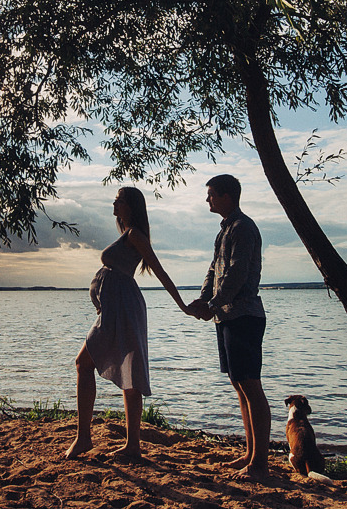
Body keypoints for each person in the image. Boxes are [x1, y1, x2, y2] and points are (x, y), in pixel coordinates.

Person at [65, 186, 190, 461]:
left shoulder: (135, 235)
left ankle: (118, 443)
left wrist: (182, 305)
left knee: (107, 368)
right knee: (86, 365)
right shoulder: (126, 234)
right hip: (113, 310)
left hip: (125, 308)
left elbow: (159, 269)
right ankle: (90, 438)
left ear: (130, 206)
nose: (114, 203)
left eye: (119, 200)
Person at [187, 174, 271, 478]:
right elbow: (214, 269)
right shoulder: (225, 230)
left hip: (245, 316)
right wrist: (203, 299)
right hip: (226, 316)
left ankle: (260, 463)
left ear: (227, 196)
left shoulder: (244, 227)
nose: (207, 199)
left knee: (250, 385)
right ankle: (250, 454)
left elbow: (237, 273)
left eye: (211, 194)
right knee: (239, 385)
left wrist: (212, 304)